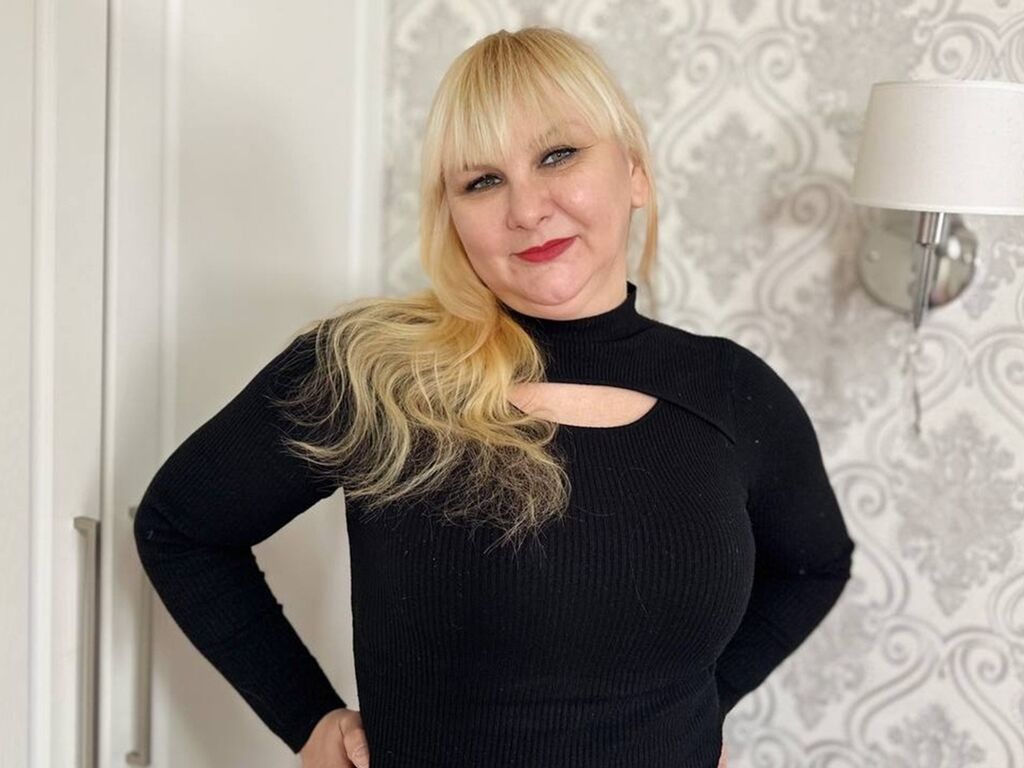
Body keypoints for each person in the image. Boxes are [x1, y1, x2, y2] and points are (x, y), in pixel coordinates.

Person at [133, 25, 856, 768]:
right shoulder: (374, 372)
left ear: (635, 172)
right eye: (481, 181)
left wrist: (707, 704)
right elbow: (180, 527)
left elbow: (814, 565)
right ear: (451, 215)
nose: (527, 209)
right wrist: (307, 718)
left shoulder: (730, 391)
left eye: (558, 155)